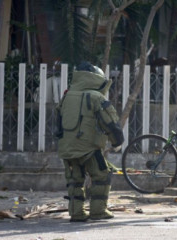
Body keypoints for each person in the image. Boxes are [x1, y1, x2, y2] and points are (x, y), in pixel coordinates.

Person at [57, 61, 124, 222]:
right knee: (102, 175)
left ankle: (76, 213)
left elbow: (59, 121)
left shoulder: (67, 96)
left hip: (67, 146)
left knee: (74, 180)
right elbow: (109, 122)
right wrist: (117, 142)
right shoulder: (96, 97)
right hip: (89, 148)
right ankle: (98, 211)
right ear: (96, 79)